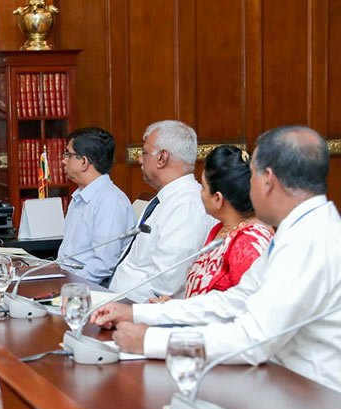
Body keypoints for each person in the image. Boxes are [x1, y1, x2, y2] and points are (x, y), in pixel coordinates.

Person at [92, 126, 341, 393]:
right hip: (282, 384)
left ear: (268, 179)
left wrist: (152, 340)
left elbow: (253, 338)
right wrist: (138, 312)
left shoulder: (309, 240)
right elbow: (231, 301)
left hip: (311, 400)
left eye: (252, 176)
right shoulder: (300, 229)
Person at [107, 120, 217, 301]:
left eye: (144, 152)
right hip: (116, 301)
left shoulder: (187, 205)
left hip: (136, 311)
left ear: (162, 157)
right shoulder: (164, 200)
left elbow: (166, 284)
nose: (140, 159)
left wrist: (123, 312)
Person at [158, 145, 273, 300]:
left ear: (218, 199)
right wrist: (174, 307)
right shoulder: (221, 229)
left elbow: (239, 309)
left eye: (204, 187)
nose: (200, 193)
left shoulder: (249, 243)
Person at [56, 127, 135, 283]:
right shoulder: (79, 197)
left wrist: (65, 286)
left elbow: (102, 265)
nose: (63, 160)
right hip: (66, 280)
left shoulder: (110, 201)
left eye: (68, 154)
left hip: (86, 289)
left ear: (84, 162)